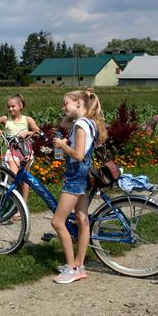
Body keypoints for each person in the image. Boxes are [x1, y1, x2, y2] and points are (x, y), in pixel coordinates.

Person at [50, 88, 107, 284]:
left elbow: (78, 155)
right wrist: (70, 112)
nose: (63, 107)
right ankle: (79, 265)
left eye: (65, 103)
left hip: (76, 176)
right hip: (84, 174)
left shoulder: (81, 125)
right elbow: (63, 124)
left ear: (78, 103)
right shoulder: (87, 122)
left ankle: (70, 268)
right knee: (82, 220)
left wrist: (63, 146)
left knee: (57, 222)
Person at [0, 93, 41, 205]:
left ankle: (23, 204)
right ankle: (13, 203)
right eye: (8, 107)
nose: (10, 109)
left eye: (13, 106)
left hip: (24, 150)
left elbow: (38, 133)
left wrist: (27, 132)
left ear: (21, 106)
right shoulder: (6, 119)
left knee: (25, 177)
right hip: (12, 150)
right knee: (13, 176)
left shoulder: (27, 119)